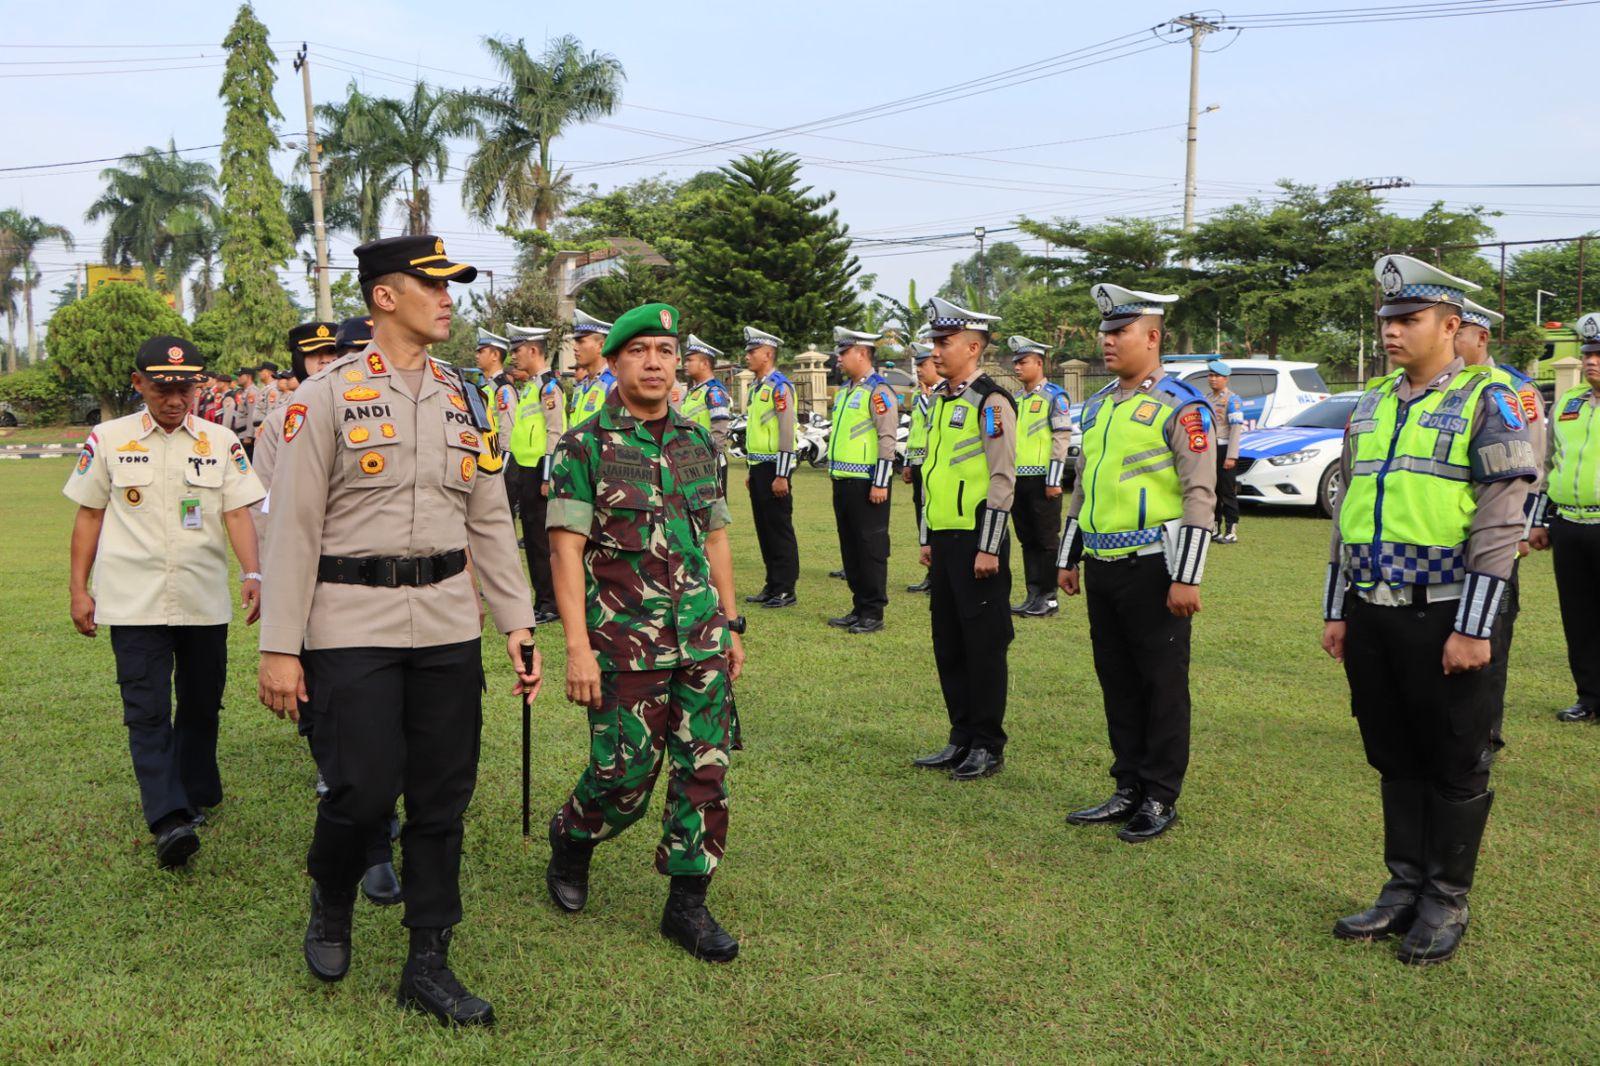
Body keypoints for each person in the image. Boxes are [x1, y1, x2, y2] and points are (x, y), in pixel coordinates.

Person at [257, 234, 539, 1024]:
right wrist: (280, 648)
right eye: (434, 285)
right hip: (351, 623)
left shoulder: (462, 395)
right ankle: (333, 892)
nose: (449, 298)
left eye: (452, 286)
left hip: (447, 620)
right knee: (362, 788)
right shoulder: (323, 399)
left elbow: (488, 517)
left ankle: (428, 961)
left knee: (444, 796)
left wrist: (515, 620)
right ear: (386, 296)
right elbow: (292, 533)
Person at [1322, 255, 1535, 966]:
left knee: (1455, 756)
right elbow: (1347, 511)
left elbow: (1503, 522)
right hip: (1374, 609)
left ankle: (1445, 897)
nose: (1391, 332)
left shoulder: (1489, 400)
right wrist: (1338, 608)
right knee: (1394, 752)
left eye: (1407, 320)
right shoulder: (1371, 402)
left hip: (1448, 613)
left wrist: (1475, 626)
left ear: (1451, 325)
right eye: (1386, 319)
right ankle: (1402, 887)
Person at [543, 302, 746, 963]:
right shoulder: (584, 446)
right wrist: (576, 646)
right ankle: (574, 836)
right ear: (615, 361)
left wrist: (731, 623)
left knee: (704, 773)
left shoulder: (695, 442)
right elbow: (566, 550)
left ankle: (687, 903)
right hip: (623, 642)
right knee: (623, 775)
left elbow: (714, 534)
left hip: (701, 639)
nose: (655, 361)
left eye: (665, 349)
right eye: (640, 351)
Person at [64, 335, 264, 868]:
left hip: (201, 598)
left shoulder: (221, 441)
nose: (175, 398)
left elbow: (238, 512)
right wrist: (78, 588)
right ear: (139, 385)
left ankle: (195, 791)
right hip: (133, 601)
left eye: (185, 387)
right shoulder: (108, 439)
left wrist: (253, 571)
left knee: (201, 703)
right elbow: (88, 514)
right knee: (147, 710)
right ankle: (168, 819)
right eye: (162, 387)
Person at [1057, 283, 1216, 842]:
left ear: (1152, 337)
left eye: (1119, 331)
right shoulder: (1098, 405)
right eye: (1104, 331)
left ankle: (1159, 795)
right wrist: (1068, 555)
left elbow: (1201, 493)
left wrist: (1187, 575)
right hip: (1102, 565)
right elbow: (1084, 488)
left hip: (1156, 567)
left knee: (1162, 684)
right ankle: (1126, 784)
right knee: (1117, 679)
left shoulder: (1183, 405)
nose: (1107, 341)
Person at [912, 297, 1016, 781]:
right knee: (949, 643)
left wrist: (990, 546)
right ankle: (960, 736)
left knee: (983, 645)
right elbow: (934, 474)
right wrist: (927, 536)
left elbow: (1001, 479)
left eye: (945, 342)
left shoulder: (990, 402)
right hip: (947, 540)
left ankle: (987, 744)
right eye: (934, 341)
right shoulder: (942, 400)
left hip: (979, 540)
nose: (936, 351)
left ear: (973, 347)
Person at [1456, 297, 1545, 756]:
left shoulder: (1512, 390)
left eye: (1458, 333)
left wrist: (1522, 529)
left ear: (1481, 337)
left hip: (1496, 537)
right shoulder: (1434, 386)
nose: (1448, 342)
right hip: (1443, 544)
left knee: (1489, 633)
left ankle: (1485, 732)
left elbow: (1532, 467)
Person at [1528, 311, 1600, 722]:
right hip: (1569, 525)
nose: (1591, 360)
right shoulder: (1569, 404)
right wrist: (1539, 520)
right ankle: (1589, 697)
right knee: (1579, 617)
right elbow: (1548, 466)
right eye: (1588, 352)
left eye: (1599, 354)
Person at [825, 327, 898, 633]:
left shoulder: (878, 391)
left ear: (862, 354)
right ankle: (858, 606)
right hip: (842, 480)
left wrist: (880, 482)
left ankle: (873, 612)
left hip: (868, 483)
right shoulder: (846, 392)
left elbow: (887, 438)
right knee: (851, 548)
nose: (839, 359)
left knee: (870, 547)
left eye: (844, 352)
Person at [1007, 335, 1071, 617]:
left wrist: (1054, 480)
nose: (1017, 368)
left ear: (1038, 363)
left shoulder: (1055, 397)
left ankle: (1050, 597)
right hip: (1018, 479)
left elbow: (1061, 439)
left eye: (1023, 362)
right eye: (1015, 363)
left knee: (1046, 540)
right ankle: (1033, 594)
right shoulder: (1017, 400)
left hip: (1043, 480)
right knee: (1027, 539)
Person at [506, 323, 565, 624]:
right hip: (525, 470)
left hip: (538, 475)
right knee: (531, 538)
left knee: (541, 542)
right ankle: (542, 600)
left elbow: (555, 433)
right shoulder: (531, 386)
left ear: (533, 350)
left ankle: (550, 603)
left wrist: (546, 476)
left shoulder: (549, 388)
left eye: (516, 350)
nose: (513, 356)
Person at [742, 326, 800, 608]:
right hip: (759, 468)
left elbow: (787, 432)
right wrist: (752, 470)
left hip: (776, 468)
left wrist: (782, 474)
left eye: (752, 351)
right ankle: (772, 583)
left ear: (768, 354)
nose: (747, 356)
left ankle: (786, 588)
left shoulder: (779, 386)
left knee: (779, 529)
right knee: (764, 529)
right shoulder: (757, 387)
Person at [902, 340, 941, 594]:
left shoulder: (940, 394)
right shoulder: (919, 395)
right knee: (922, 517)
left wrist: (928, 396)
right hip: (917, 463)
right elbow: (914, 430)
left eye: (923, 364)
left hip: (934, 465)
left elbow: (931, 421)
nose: (918, 370)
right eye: (917, 365)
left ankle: (938, 574)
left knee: (934, 517)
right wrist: (907, 462)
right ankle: (931, 573)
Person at [679, 334, 734, 495]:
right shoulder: (694, 392)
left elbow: (719, 427)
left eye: (690, 360)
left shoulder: (714, 391)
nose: (685, 364)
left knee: (711, 515)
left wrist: (711, 458)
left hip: (707, 463)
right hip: (690, 461)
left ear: (704, 364)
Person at [474, 328, 517, 502]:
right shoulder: (487, 388)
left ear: (494, 355)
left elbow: (508, 432)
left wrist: (501, 469)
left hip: (498, 462)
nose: (476, 355)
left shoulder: (502, 389)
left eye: (481, 351)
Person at [1204, 360, 1245, 544]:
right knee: (1212, 490)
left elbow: (1236, 429)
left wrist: (1231, 455)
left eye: (1217, 376)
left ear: (1225, 379)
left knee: (1227, 490)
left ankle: (1231, 529)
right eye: (1210, 375)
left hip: (1224, 448)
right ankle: (1214, 527)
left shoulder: (1233, 400)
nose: (1213, 379)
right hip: (1210, 449)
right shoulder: (1207, 398)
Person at [568, 308, 616, 426]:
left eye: (580, 341)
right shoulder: (579, 388)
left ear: (601, 346)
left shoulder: (613, 386)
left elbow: (618, 435)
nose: (574, 347)